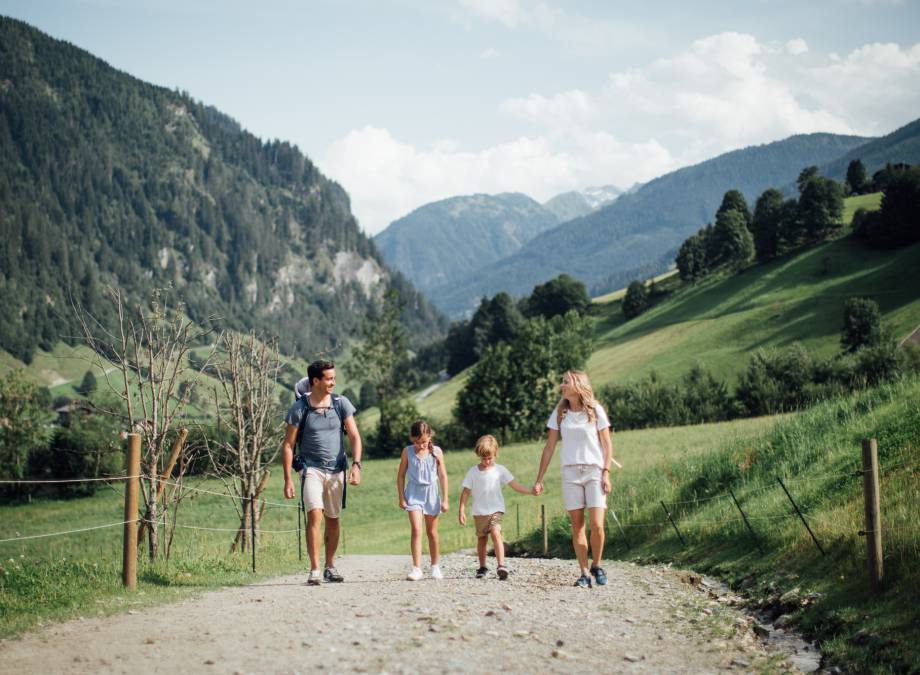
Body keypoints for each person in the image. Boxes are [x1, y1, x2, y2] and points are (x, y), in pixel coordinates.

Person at [282, 360, 362, 586]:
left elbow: (354, 436)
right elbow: (288, 445)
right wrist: (288, 479)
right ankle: (315, 569)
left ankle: (330, 565)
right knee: (315, 514)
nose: (333, 382)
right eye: (328, 378)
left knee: (333, 519)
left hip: (337, 469)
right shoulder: (300, 408)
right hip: (311, 469)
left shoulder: (341, 404)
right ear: (315, 381)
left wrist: (356, 465)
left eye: (334, 378)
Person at [533, 370, 615, 588]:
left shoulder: (595, 410)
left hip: (594, 471)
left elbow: (607, 445)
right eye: (562, 382)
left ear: (578, 385)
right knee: (577, 525)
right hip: (570, 473)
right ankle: (584, 571)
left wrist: (606, 472)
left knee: (597, 525)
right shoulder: (560, 412)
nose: (562, 386)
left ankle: (596, 564)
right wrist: (539, 478)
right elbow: (549, 447)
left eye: (566, 382)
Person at [458, 434, 533, 580]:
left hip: (496, 510)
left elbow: (514, 485)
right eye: (483, 458)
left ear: (495, 454)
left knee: (496, 532)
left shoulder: (500, 470)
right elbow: (466, 492)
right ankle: (482, 566)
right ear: (478, 456)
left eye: (489, 458)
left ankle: (501, 565)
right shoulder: (473, 472)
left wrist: (530, 491)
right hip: (479, 512)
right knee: (482, 539)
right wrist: (461, 510)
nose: (486, 461)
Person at [395, 420, 449, 581]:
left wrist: (445, 499)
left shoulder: (437, 452)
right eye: (417, 442)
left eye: (424, 442)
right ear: (412, 439)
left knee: (432, 532)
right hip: (413, 494)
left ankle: (435, 566)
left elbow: (443, 476)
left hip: (432, 494)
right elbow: (401, 475)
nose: (421, 445)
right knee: (417, 530)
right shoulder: (407, 452)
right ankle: (417, 568)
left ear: (429, 437)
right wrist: (401, 497)